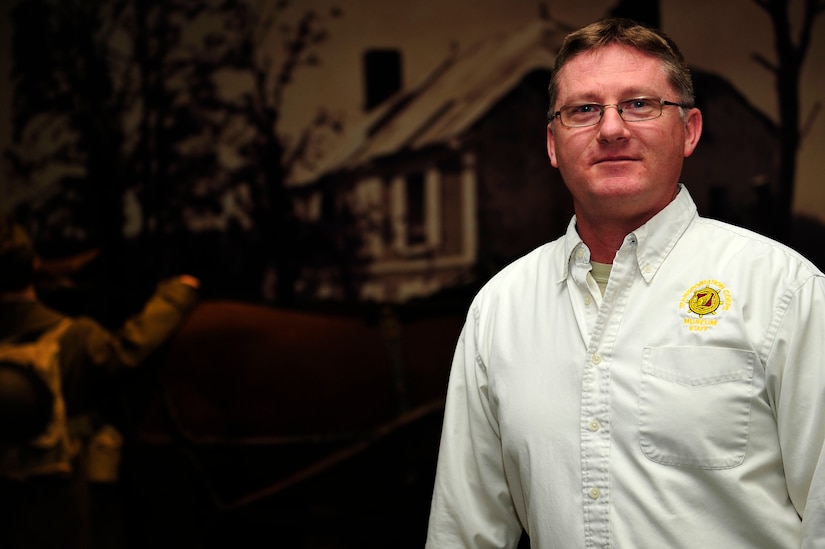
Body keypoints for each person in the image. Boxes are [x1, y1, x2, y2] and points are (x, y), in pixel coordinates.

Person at [425, 17, 825, 549]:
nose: (611, 128)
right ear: (552, 142)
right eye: (584, 109)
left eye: (640, 103)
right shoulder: (500, 309)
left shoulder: (784, 290)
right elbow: (463, 531)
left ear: (689, 131)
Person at [0, 216, 201, 549]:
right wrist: (176, 295)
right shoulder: (75, 338)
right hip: (60, 503)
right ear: (33, 267)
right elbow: (127, 349)